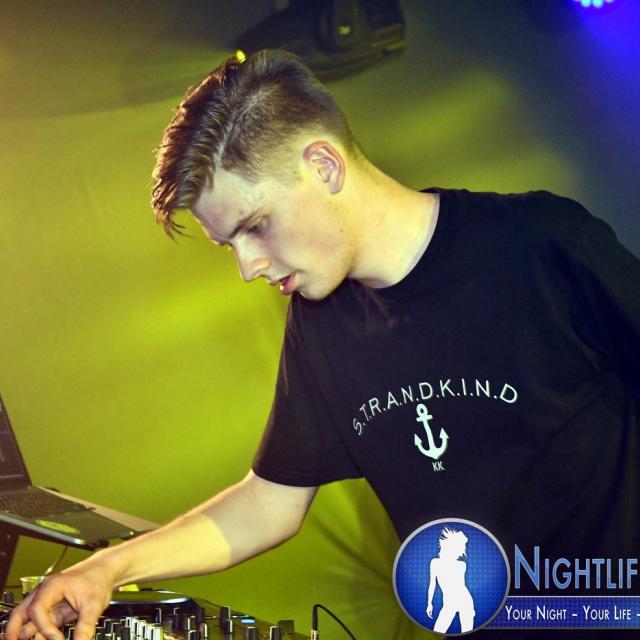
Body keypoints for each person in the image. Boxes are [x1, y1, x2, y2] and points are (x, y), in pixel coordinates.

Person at [6, 49, 640, 640]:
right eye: (230, 245)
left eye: (256, 226)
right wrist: (107, 568)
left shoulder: (540, 245)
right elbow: (269, 503)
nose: (248, 267)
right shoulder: (321, 320)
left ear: (324, 166)